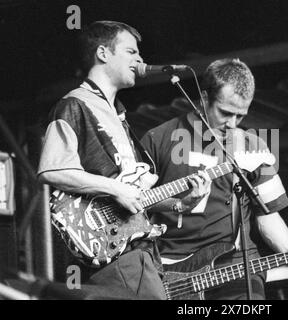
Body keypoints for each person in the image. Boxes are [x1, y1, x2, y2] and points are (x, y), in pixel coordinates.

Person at [37, 21, 210, 299]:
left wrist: (180, 203)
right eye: (131, 51)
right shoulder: (74, 105)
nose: (140, 59)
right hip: (114, 252)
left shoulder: (118, 116)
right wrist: (116, 189)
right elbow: (52, 169)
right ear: (103, 53)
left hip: (140, 251)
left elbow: (136, 194)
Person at [140, 58, 288, 300]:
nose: (231, 124)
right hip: (171, 269)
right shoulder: (158, 139)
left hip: (234, 264)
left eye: (240, 116)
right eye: (225, 113)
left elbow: (268, 214)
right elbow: (135, 204)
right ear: (203, 97)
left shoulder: (253, 145)